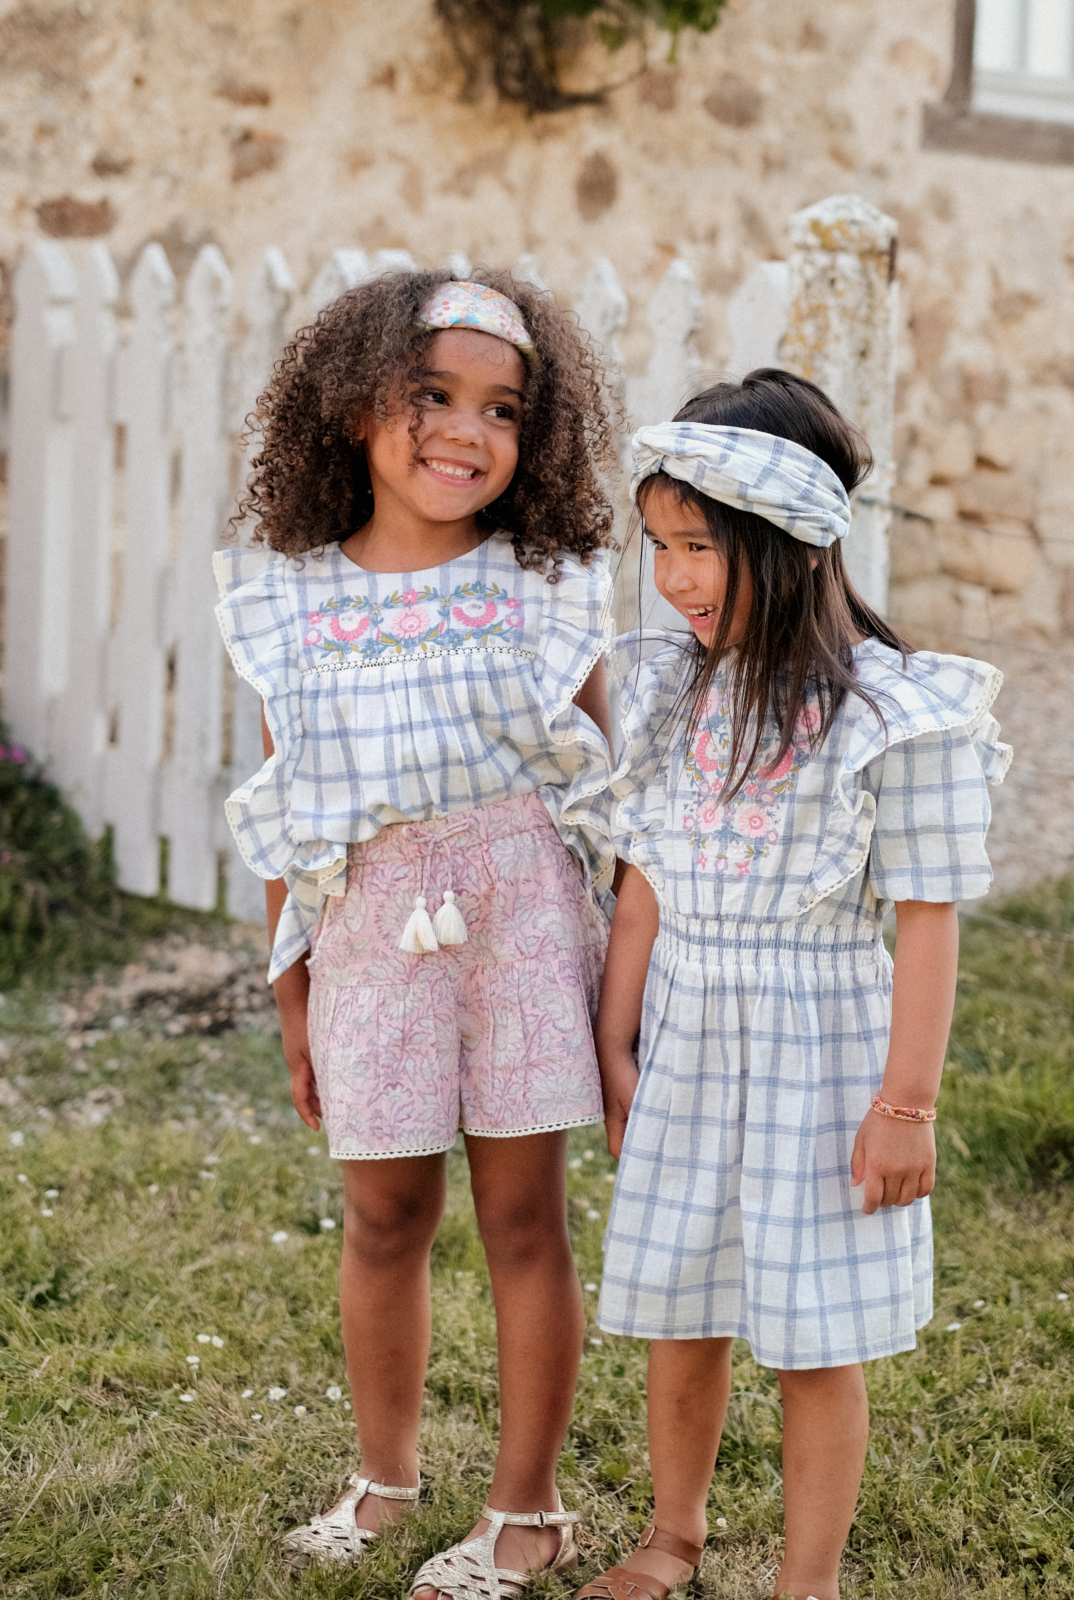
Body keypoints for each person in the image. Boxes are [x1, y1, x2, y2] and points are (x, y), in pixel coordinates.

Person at [214, 270, 618, 1597]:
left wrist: (620, 992)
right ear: (352, 407)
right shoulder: (290, 601)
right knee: (384, 1213)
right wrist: (291, 997)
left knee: (524, 1215)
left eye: (503, 409)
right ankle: (385, 1481)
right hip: (370, 931)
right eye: (432, 394)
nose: (464, 429)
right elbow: (287, 814)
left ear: (533, 439)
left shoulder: (547, 588)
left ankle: (527, 1511)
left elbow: (603, 795)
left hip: (522, 922)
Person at [582, 371, 1012, 1600]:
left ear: (791, 540)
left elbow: (927, 922)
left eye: (702, 547)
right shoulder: (672, 689)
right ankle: (672, 1534)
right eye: (660, 545)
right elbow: (645, 881)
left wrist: (906, 1105)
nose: (676, 578)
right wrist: (615, 1040)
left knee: (815, 1332)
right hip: (688, 1035)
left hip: (821, 1053)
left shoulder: (890, 713)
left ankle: (806, 1580)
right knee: (683, 1304)